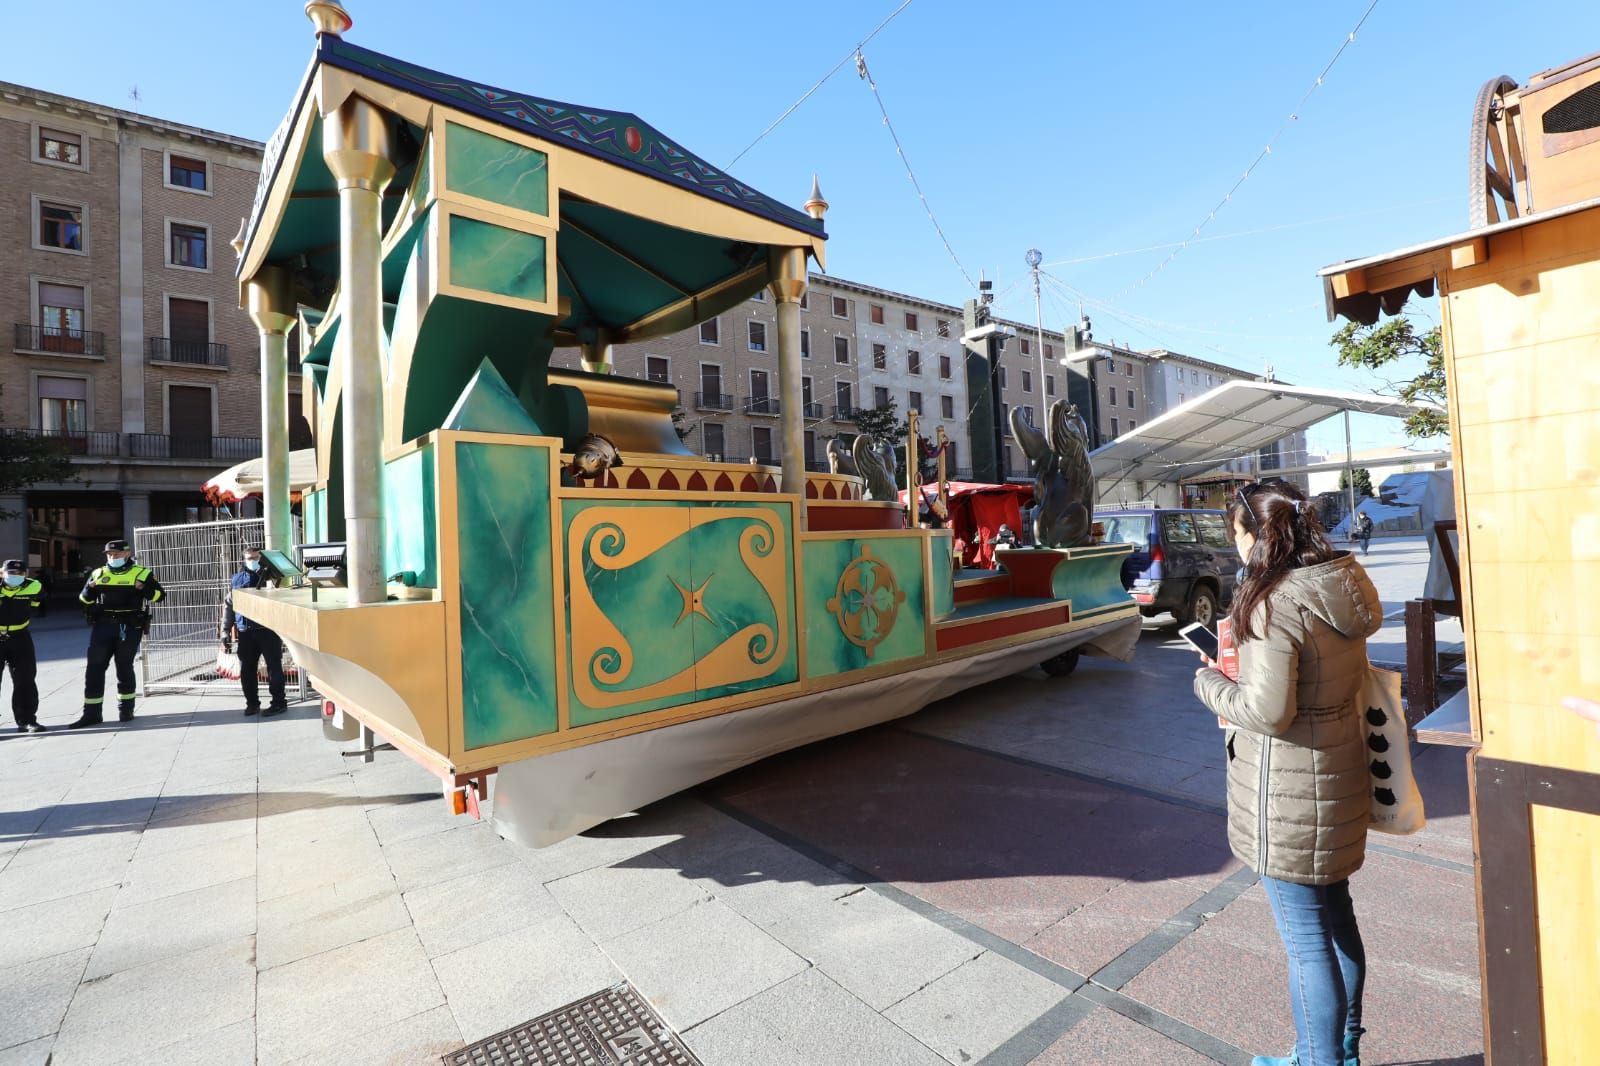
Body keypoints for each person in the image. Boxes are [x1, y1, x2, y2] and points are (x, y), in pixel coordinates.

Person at [1192, 481, 1382, 1066]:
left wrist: (1208, 680)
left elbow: (1268, 712)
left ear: (1253, 531)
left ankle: (1318, 1060)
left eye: (1236, 533)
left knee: (1306, 945)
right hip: (1340, 773)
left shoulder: (1274, 601)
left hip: (1289, 793)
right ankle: (1339, 1049)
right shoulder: (1340, 580)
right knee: (1337, 916)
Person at [71, 539, 164, 728]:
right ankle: (91, 714)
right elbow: (83, 599)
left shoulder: (141, 573)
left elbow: (159, 596)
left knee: (124, 666)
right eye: (109, 554)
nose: (113, 557)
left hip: (129, 627)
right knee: (94, 669)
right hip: (103, 627)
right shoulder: (98, 573)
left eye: (117, 554)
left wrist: (144, 588)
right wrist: (90, 589)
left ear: (127, 554)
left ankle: (126, 709)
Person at [222, 546, 287, 717]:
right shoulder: (237, 579)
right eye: (249, 558)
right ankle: (252, 704)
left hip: (268, 630)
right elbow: (229, 606)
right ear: (244, 560)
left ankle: (279, 703)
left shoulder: (271, 576)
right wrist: (225, 631)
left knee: (274, 668)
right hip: (246, 631)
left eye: (256, 557)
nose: (253, 561)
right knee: (247, 670)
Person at [0, 560, 46, 733]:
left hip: (20, 636)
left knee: (25, 679)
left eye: (19, 574)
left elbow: (38, 601)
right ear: (2, 573)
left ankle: (26, 720)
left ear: (26, 574)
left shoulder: (34, 586)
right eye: (10, 573)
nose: (15, 577)